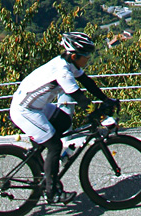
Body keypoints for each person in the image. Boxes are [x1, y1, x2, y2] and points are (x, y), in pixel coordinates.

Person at [10, 32, 118, 204]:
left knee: (64, 121)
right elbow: (81, 99)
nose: (88, 59)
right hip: (24, 110)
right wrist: (101, 115)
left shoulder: (69, 63)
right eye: (86, 56)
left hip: (37, 107)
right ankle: (52, 192)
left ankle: (43, 162)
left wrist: (106, 99)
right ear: (75, 55)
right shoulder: (62, 72)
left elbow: (88, 83)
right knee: (54, 145)